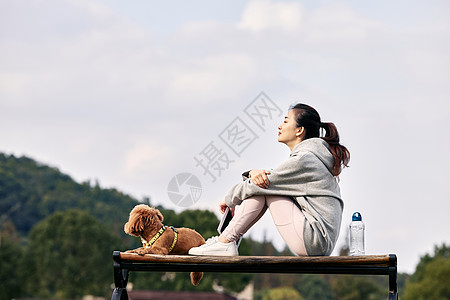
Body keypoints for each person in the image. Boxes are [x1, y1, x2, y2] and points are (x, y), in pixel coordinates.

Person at [188, 103, 350, 256]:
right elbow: (271, 179)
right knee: (263, 184)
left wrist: (230, 199)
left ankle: (225, 242)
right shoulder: (312, 157)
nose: (279, 126)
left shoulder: (305, 159)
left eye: (286, 121)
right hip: (317, 239)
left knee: (263, 187)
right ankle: (226, 242)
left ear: (299, 130)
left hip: (315, 240)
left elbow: (264, 183)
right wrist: (253, 173)